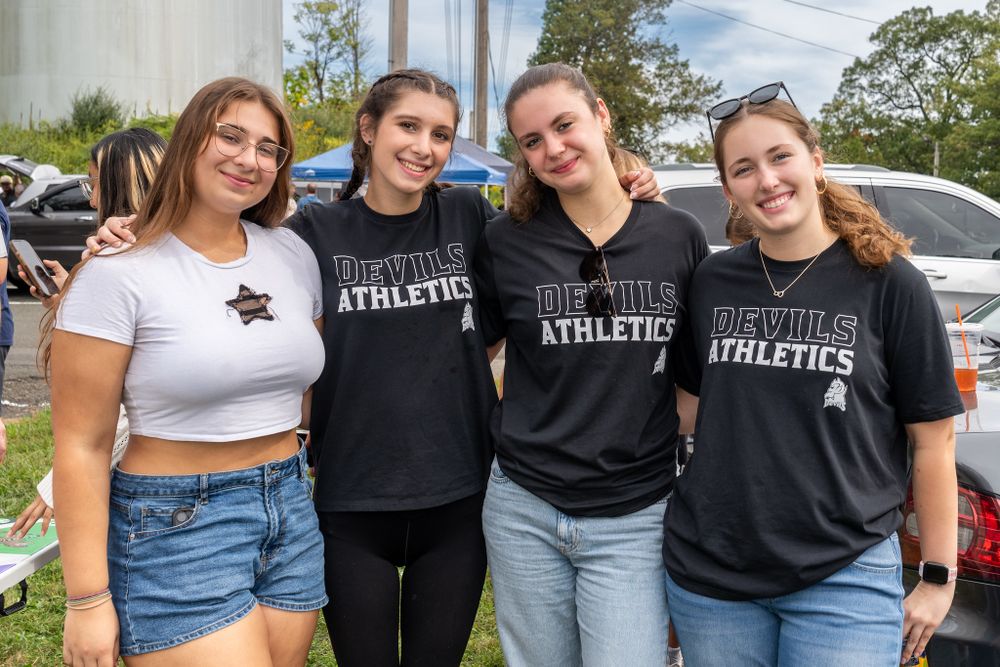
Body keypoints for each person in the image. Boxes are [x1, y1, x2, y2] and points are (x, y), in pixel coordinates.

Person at [89, 68, 661, 666]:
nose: (423, 147)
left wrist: (634, 184)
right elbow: (215, 253)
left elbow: (555, 250)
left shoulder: (468, 215)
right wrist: (134, 231)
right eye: (408, 126)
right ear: (368, 129)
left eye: (441, 134)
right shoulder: (309, 233)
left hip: (459, 496)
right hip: (350, 498)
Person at [662, 84, 961, 666]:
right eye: (744, 168)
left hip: (843, 577)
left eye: (780, 157)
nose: (767, 180)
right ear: (728, 190)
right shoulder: (713, 282)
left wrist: (938, 577)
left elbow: (935, 439)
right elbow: (688, 408)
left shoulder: (890, 283)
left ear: (815, 163)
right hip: (713, 578)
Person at [50, 77, 326, 664]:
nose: (247, 159)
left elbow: (296, 382)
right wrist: (87, 599)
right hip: (177, 525)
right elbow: (81, 444)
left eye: (267, 148)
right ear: (188, 140)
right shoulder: (117, 272)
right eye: (230, 135)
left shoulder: (292, 254)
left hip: (289, 507)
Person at [473, 62, 708, 666]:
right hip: (524, 505)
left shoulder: (676, 235)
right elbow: (477, 353)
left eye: (564, 124)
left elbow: (694, 380)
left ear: (601, 115)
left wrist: (638, 438)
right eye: (532, 141)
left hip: (636, 512)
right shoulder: (506, 240)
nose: (553, 148)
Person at [5, 127, 167, 539]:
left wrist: (56, 486)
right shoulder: (176, 254)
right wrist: (67, 302)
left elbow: (130, 408)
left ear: (117, 186)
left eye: (94, 184)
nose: (91, 198)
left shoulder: (115, 262)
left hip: (147, 491)